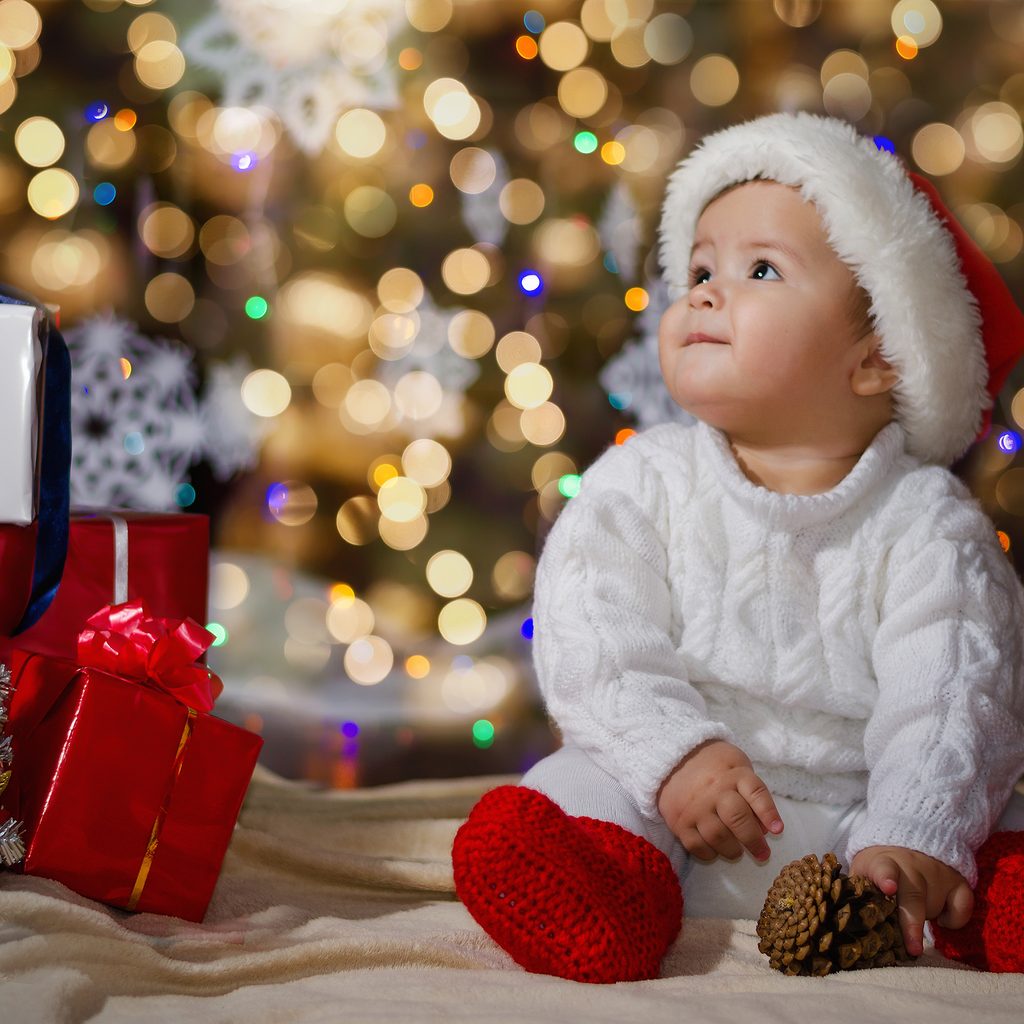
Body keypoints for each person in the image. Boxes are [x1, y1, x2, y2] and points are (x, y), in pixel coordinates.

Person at [452, 112, 1024, 984]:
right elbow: (592, 637)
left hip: (856, 827)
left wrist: (912, 830)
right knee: (577, 787)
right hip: (670, 804)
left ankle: (962, 899)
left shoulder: (929, 525)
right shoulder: (641, 480)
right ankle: (607, 887)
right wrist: (676, 756)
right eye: (699, 271)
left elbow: (952, 697)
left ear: (879, 357)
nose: (705, 294)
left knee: (973, 810)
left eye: (760, 270)